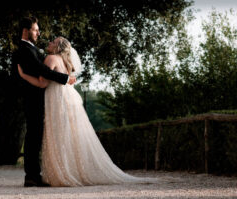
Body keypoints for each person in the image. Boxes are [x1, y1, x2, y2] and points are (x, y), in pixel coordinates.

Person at [18, 36, 157, 186]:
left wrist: (23, 75)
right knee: (69, 136)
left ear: (57, 47)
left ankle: (63, 173)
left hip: (57, 101)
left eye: (53, 41)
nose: (49, 42)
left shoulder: (51, 58)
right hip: (69, 99)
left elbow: (42, 83)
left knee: (58, 136)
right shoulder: (65, 62)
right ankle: (72, 170)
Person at [12, 16, 76, 187]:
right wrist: (65, 78)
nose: (39, 33)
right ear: (26, 31)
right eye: (35, 29)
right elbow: (42, 71)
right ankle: (32, 176)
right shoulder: (24, 49)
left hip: (40, 99)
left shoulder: (31, 49)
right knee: (33, 137)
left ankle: (34, 175)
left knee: (36, 136)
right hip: (32, 100)